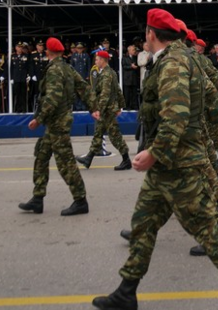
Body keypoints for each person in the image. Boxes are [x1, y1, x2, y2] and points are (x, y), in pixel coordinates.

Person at [92, 9, 218, 310]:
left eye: (145, 33)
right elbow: (210, 94)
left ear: (151, 35)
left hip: (180, 163)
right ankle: (126, 292)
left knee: (207, 230)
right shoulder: (185, 58)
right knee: (143, 224)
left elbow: (177, 117)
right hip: (168, 165)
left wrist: (154, 152)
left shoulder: (171, 64)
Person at [18, 37, 99, 217]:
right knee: (41, 155)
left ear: (48, 52)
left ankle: (80, 200)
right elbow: (83, 87)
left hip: (58, 122)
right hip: (57, 121)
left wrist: (38, 118)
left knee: (65, 162)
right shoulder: (67, 68)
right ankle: (37, 198)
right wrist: (93, 106)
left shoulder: (55, 70)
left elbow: (52, 98)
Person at [76, 50, 132, 171]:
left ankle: (126, 160)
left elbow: (105, 94)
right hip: (109, 108)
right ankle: (89, 159)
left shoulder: (106, 75)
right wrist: (121, 105)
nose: (96, 61)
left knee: (114, 135)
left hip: (107, 110)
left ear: (102, 60)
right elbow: (117, 90)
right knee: (98, 133)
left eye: (97, 59)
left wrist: (98, 109)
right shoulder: (110, 72)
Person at [10, 42, 30, 113]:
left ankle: (24, 109)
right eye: (18, 47)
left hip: (23, 77)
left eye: (21, 47)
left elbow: (28, 67)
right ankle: (17, 109)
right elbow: (11, 68)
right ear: (16, 48)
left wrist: (28, 75)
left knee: (23, 94)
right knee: (17, 94)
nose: (20, 48)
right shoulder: (13, 56)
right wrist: (11, 78)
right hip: (16, 78)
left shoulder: (26, 56)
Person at [122, 45, 140, 110]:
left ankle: (134, 106)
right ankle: (127, 106)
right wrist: (131, 66)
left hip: (134, 78)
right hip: (127, 78)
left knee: (134, 94)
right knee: (127, 94)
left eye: (134, 50)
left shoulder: (136, 57)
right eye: (133, 50)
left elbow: (138, 65)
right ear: (129, 51)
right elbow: (124, 66)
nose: (134, 51)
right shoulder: (124, 58)